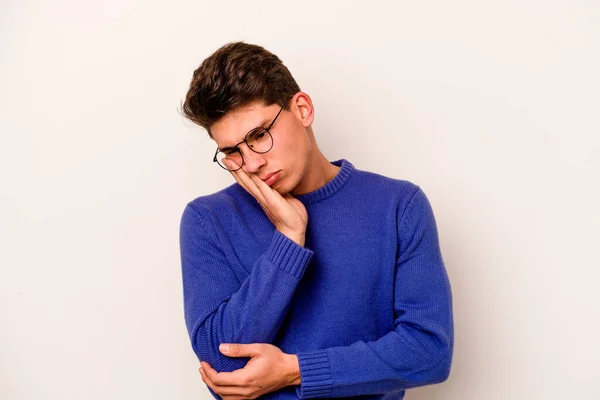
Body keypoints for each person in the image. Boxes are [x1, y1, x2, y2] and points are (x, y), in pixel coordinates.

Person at [178, 41, 454, 400]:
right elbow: (221, 360)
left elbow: (429, 352)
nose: (251, 163)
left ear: (303, 109)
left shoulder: (398, 206)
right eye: (232, 151)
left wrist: (295, 371)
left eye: (259, 135)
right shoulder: (207, 220)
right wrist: (289, 238)